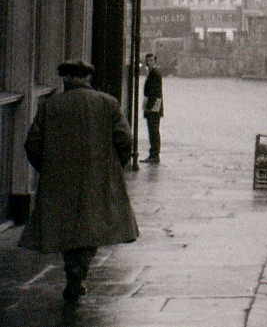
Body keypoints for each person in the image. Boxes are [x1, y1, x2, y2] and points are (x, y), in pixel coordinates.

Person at [19, 60, 139, 302]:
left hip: (60, 179)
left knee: (66, 225)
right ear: (88, 78)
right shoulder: (108, 103)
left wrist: (48, 168)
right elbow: (125, 140)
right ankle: (78, 273)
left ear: (65, 78)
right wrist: (115, 167)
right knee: (90, 226)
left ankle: (73, 271)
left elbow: (32, 144)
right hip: (97, 177)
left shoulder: (50, 105)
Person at [141, 53, 164, 163]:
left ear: (155, 61)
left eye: (151, 60)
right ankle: (154, 154)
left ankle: (154, 155)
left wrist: (153, 108)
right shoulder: (153, 73)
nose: (149, 62)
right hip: (153, 107)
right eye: (148, 60)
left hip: (153, 108)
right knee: (153, 131)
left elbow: (156, 93)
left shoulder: (155, 73)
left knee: (153, 131)